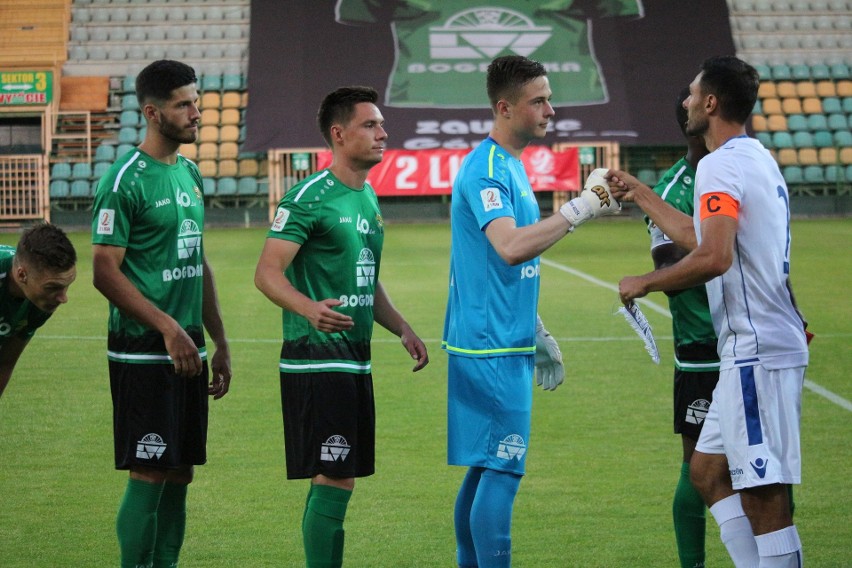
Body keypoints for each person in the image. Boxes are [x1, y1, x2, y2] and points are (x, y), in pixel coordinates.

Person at [610, 55, 808, 567]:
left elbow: (714, 257)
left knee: (764, 496)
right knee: (707, 472)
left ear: (712, 103)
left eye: (694, 94)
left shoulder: (719, 165)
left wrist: (645, 282)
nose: (687, 101)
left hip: (755, 349)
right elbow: (707, 237)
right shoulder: (753, 157)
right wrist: (640, 192)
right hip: (751, 346)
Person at [442, 55, 620, 567]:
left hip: (500, 337)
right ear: (504, 107)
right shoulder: (487, 170)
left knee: (483, 467)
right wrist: (582, 206)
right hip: (492, 347)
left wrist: (533, 325)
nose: (550, 108)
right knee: (503, 468)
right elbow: (511, 247)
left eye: (549, 97)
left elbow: (501, 266)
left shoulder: (509, 165)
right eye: (538, 100)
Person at [254, 85, 430, 568]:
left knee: (336, 475)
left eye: (381, 124)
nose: (382, 133)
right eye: (369, 125)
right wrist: (309, 308)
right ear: (338, 133)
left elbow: (366, 278)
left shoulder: (367, 197)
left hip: (354, 356)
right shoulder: (309, 197)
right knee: (336, 476)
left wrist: (402, 328)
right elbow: (266, 273)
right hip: (316, 356)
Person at [91, 59, 232, 568]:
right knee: (149, 469)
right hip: (143, 347)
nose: (197, 112)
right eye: (184, 104)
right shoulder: (123, 180)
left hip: (188, 342)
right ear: (152, 113)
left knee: (180, 470)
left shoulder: (190, 171)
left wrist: (219, 341)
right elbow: (104, 272)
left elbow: (197, 261)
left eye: (196, 100)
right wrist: (168, 327)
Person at [645, 87, 717, 568]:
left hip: (758, 341)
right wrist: (720, 253)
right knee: (698, 469)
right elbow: (668, 265)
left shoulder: (739, 171)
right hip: (701, 348)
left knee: (769, 467)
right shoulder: (673, 190)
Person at [0, 223, 76, 398]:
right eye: (53, 288)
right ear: (21, 275)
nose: (63, 298)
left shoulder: (40, 302)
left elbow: (5, 362)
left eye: (66, 286)